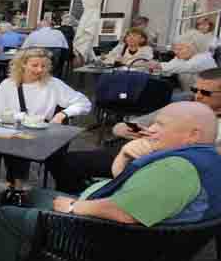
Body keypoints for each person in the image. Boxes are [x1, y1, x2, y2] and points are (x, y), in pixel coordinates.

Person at [0, 102, 221, 261]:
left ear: (192, 135)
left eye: (160, 125)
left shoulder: (176, 169)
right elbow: (129, 187)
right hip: (128, 233)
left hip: (105, 240)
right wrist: (124, 153)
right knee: (33, 195)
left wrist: (74, 208)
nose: (150, 129)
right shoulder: (205, 160)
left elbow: (124, 213)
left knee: (6, 215)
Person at [50, 68, 221, 193]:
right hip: (132, 151)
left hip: (163, 165)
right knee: (61, 161)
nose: (198, 95)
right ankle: (83, 198)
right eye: (195, 90)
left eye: (205, 92)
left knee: (69, 163)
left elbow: (211, 157)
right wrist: (127, 129)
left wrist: (163, 143)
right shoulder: (184, 105)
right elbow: (123, 126)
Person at [0, 48, 91, 190]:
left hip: (44, 134)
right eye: (35, 65)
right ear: (23, 64)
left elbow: (84, 103)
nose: (39, 70)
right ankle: (15, 186)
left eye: (44, 66)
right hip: (15, 132)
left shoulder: (53, 84)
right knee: (9, 148)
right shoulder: (7, 85)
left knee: (57, 160)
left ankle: (60, 191)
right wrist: (20, 118)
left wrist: (63, 114)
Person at [150, 34, 217, 92]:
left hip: (205, 94)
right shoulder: (184, 56)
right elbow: (169, 69)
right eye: (175, 49)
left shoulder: (203, 58)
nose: (176, 52)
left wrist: (158, 65)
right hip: (189, 90)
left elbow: (184, 66)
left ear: (193, 48)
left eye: (180, 49)